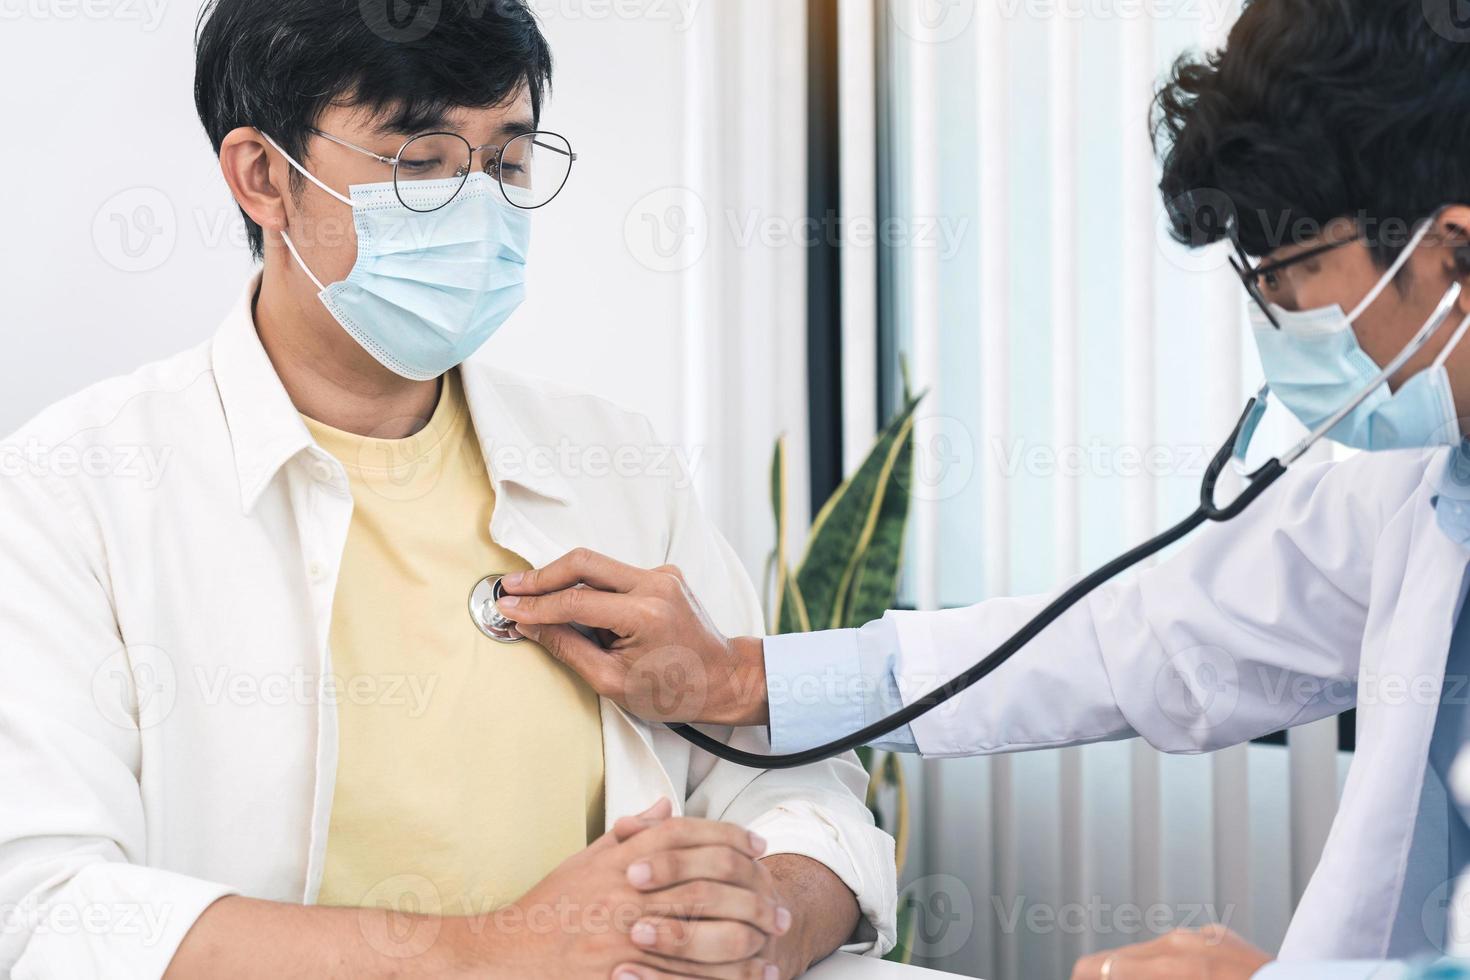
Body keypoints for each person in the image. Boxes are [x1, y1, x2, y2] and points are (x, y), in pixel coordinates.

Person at [494, 0, 1470, 976]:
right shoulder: (1417, 499)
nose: (1281, 314)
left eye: (1294, 269)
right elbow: (1131, 639)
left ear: (1454, 248)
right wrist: (742, 675)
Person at [0, 2, 899, 978]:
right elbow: (50, 912)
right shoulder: (72, 493)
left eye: (506, 163)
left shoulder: (617, 464)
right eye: (420, 161)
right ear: (263, 176)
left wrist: (765, 919)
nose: (477, 208)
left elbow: (805, 794)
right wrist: (493, 953)